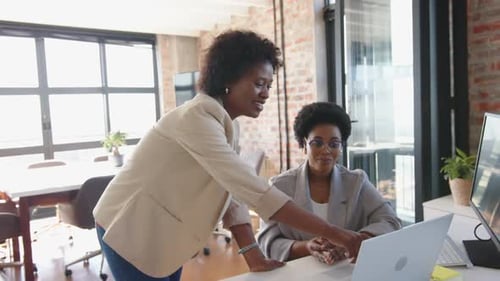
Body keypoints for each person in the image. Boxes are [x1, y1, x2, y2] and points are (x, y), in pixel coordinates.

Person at [93, 30, 364, 281]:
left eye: (269, 85)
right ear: (227, 79)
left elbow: (232, 195)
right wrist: (336, 234)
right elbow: (254, 191)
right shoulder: (196, 118)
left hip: (164, 235)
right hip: (130, 229)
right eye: (259, 83)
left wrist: (254, 256)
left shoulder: (225, 125)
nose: (266, 93)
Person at [257, 102, 402, 264]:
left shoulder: (356, 182)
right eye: (317, 143)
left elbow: (390, 221)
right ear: (304, 144)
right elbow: (266, 242)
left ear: (341, 148)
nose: (326, 150)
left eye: (334, 144)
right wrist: (307, 247)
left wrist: (354, 241)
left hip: (346, 271)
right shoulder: (280, 186)